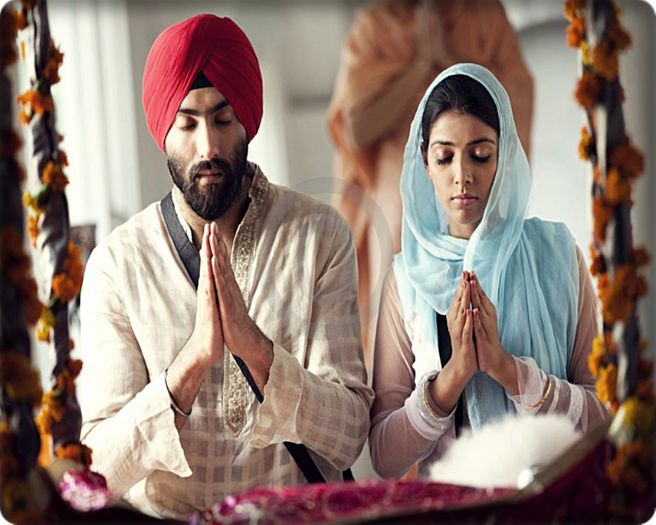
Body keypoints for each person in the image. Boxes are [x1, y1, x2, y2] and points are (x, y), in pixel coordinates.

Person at [77, 14, 373, 519]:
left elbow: (349, 435)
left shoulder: (319, 235)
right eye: (187, 123)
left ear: (247, 121)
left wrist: (256, 351)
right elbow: (97, 469)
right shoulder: (117, 265)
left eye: (222, 118)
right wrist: (191, 363)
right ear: (162, 130)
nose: (208, 147)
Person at [369, 63, 610, 479]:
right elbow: (384, 455)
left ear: (505, 156)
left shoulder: (557, 254)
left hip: (553, 504)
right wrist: (454, 376)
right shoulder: (406, 278)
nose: (462, 176)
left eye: (481, 155)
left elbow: (604, 417)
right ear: (424, 161)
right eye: (444, 157)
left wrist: (507, 370)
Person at [327, 0, 534, 363]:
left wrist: (447, 57)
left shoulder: (485, 16)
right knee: (399, 242)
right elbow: (355, 128)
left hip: (477, 181)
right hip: (395, 190)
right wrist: (421, 64)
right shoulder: (376, 25)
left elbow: (510, 110)